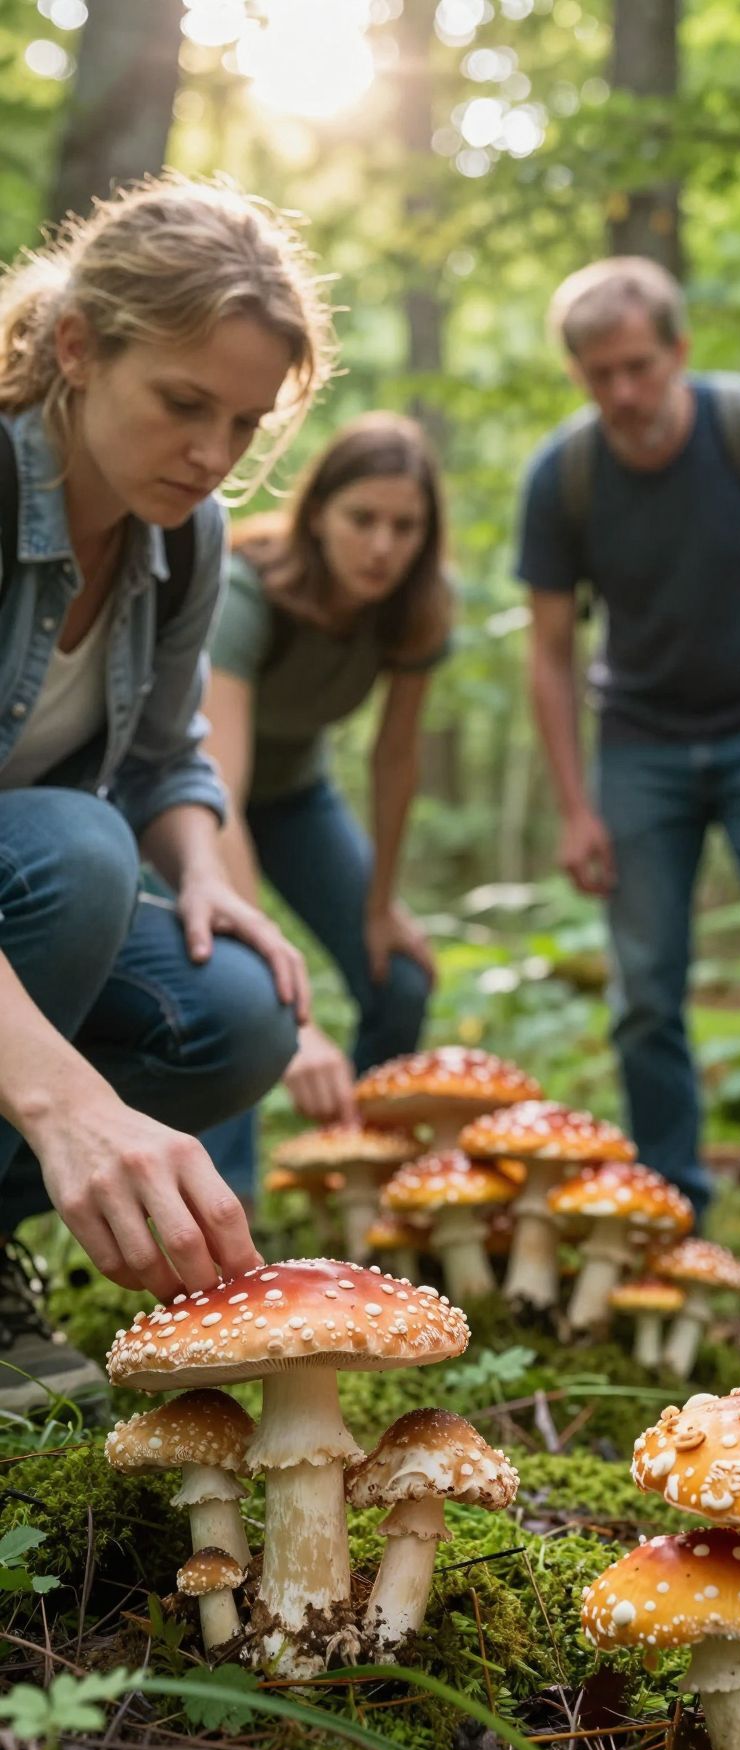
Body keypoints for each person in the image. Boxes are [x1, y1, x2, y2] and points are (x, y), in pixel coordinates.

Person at [0, 174, 334, 1416]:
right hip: (38, 877)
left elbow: (163, 756)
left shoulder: (182, 535)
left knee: (241, 1012)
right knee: (80, 854)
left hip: (32, 889)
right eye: (183, 404)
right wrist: (64, 1101)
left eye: (245, 423)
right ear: (79, 348)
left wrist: (200, 864)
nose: (212, 453)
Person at [516, 255, 740, 1313]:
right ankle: (667, 1215)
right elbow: (549, 649)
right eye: (598, 370)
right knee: (643, 988)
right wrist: (575, 804)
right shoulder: (563, 476)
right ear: (576, 370)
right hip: (641, 744)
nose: (621, 390)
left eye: (636, 364)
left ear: (677, 351)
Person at [200, 413, 449, 1208]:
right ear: (317, 514)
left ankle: (370, 1187)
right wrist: (279, 993)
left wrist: (380, 907)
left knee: (400, 977)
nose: (383, 545)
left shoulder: (418, 608)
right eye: (362, 519)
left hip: (299, 796)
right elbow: (217, 786)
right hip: (194, 800)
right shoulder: (246, 588)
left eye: (405, 526)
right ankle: (220, 1221)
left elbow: (395, 758)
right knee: (236, 989)